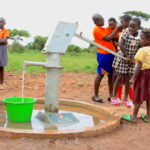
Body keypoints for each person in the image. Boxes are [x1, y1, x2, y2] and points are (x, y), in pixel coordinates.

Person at [92, 13, 122, 103]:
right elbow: (108, 38)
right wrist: (117, 28)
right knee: (101, 73)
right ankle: (95, 95)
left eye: (103, 19)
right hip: (104, 55)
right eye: (100, 20)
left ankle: (111, 95)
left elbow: (114, 38)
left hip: (111, 54)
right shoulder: (97, 30)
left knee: (111, 75)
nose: (103, 21)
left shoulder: (103, 29)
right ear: (95, 21)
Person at [112, 18, 141, 107]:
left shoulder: (140, 35)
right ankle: (114, 96)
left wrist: (134, 58)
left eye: (133, 27)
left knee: (129, 78)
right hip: (123, 57)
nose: (131, 28)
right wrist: (127, 56)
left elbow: (139, 47)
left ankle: (125, 98)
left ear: (138, 27)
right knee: (119, 77)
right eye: (130, 26)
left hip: (132, 59)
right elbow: (121, 45)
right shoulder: (126, 33)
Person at [122, 28, 150, 123]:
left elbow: (139, 65)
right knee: (149, 96)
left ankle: (133, 117)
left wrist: (133, 78)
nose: (139, 40)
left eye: (142, 38)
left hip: (143, 75)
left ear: (148, 40)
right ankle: (148, 117)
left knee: (138, 95)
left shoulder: (142, 50)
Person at [0, 17, 9, 89]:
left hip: (2, 49)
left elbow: (4, 41)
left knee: (1, 67)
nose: (0, 23)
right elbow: (1, 40)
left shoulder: (6, 31)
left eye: (1, 22)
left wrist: (2, 40)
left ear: (4, 23)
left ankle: (1, 84)